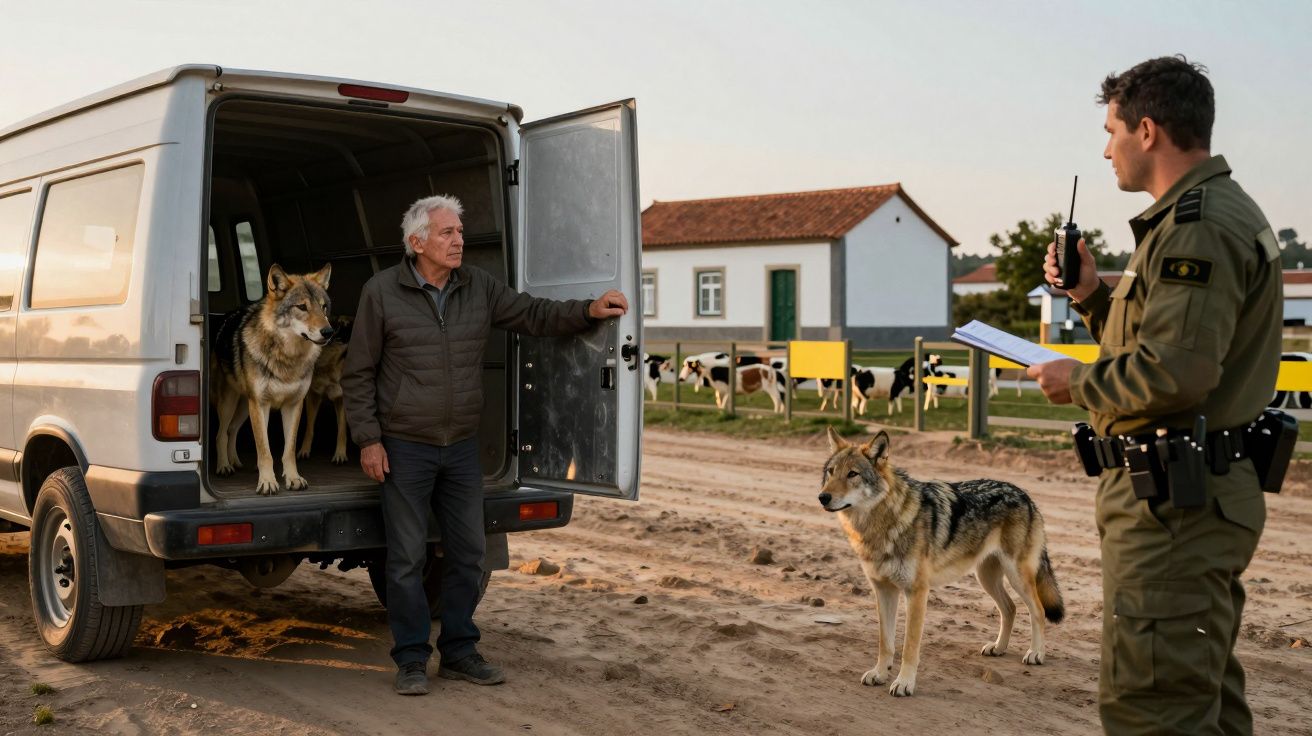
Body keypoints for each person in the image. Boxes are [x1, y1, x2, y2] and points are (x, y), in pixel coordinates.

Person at [1026, 56, 1282, 735]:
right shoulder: (1191, 219)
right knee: (1202, 705)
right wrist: (1089, 295)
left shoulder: (1197, 227)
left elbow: (1174, 375)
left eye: (1111, 131)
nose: (1104, 148)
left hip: (1177, 510)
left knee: (1154, 712)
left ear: (1147, 131)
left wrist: (1072, 380)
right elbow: (1160, 346)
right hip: (1181, 500)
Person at [341, 194, 629, 696]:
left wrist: (587, 310)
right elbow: (358, 372)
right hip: (404, 446)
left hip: (459, 447)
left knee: (469, 554)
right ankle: (411, 659)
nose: (458, 241)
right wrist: (369, 440)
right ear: (417, 243)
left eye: (459, 232)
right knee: (406, 559)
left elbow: (534, 315)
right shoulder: (381, 292)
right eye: (447, 233)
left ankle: (458, 650)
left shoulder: (478, 286)